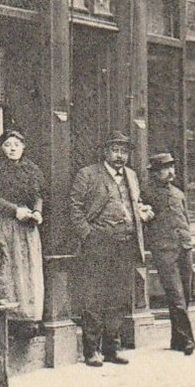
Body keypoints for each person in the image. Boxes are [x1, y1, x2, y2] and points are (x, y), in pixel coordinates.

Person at [70, 135, 152, 367]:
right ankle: (91, 350)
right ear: (105, 152)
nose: (119, 156)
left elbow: (134, 204)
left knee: (118, 298)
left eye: (123, 152)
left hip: (125, 244)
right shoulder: (88, 174)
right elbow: (75, 208)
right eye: (115, 150)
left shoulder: (132, 176)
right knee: (95, 297)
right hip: (98, 244)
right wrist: (88, 235)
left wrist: (141, 213)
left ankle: (111, 349)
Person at [0, 129, 44, 323]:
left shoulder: (31, 169)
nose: (12, 149)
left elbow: (37, 195)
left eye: (16, 145)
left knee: (28, 267)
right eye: (8, 145)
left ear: (23, 147)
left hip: (27, 226)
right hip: (6, 224)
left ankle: (29, 315)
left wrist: (37, 211)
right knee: (9, 266)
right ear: (2, 148)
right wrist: (13, 210)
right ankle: (11, 315)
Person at [142, 152, 195, 355]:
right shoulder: (147, 193)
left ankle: (177, 339)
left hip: (184, 247)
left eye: (172, 167)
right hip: (164, 250)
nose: (170, 172)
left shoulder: (178, 193)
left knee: (187, 293)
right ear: (155, 173)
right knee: (176, 296)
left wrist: (188, 241)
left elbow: (185, 219)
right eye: (165, 168)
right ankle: (189, 340)